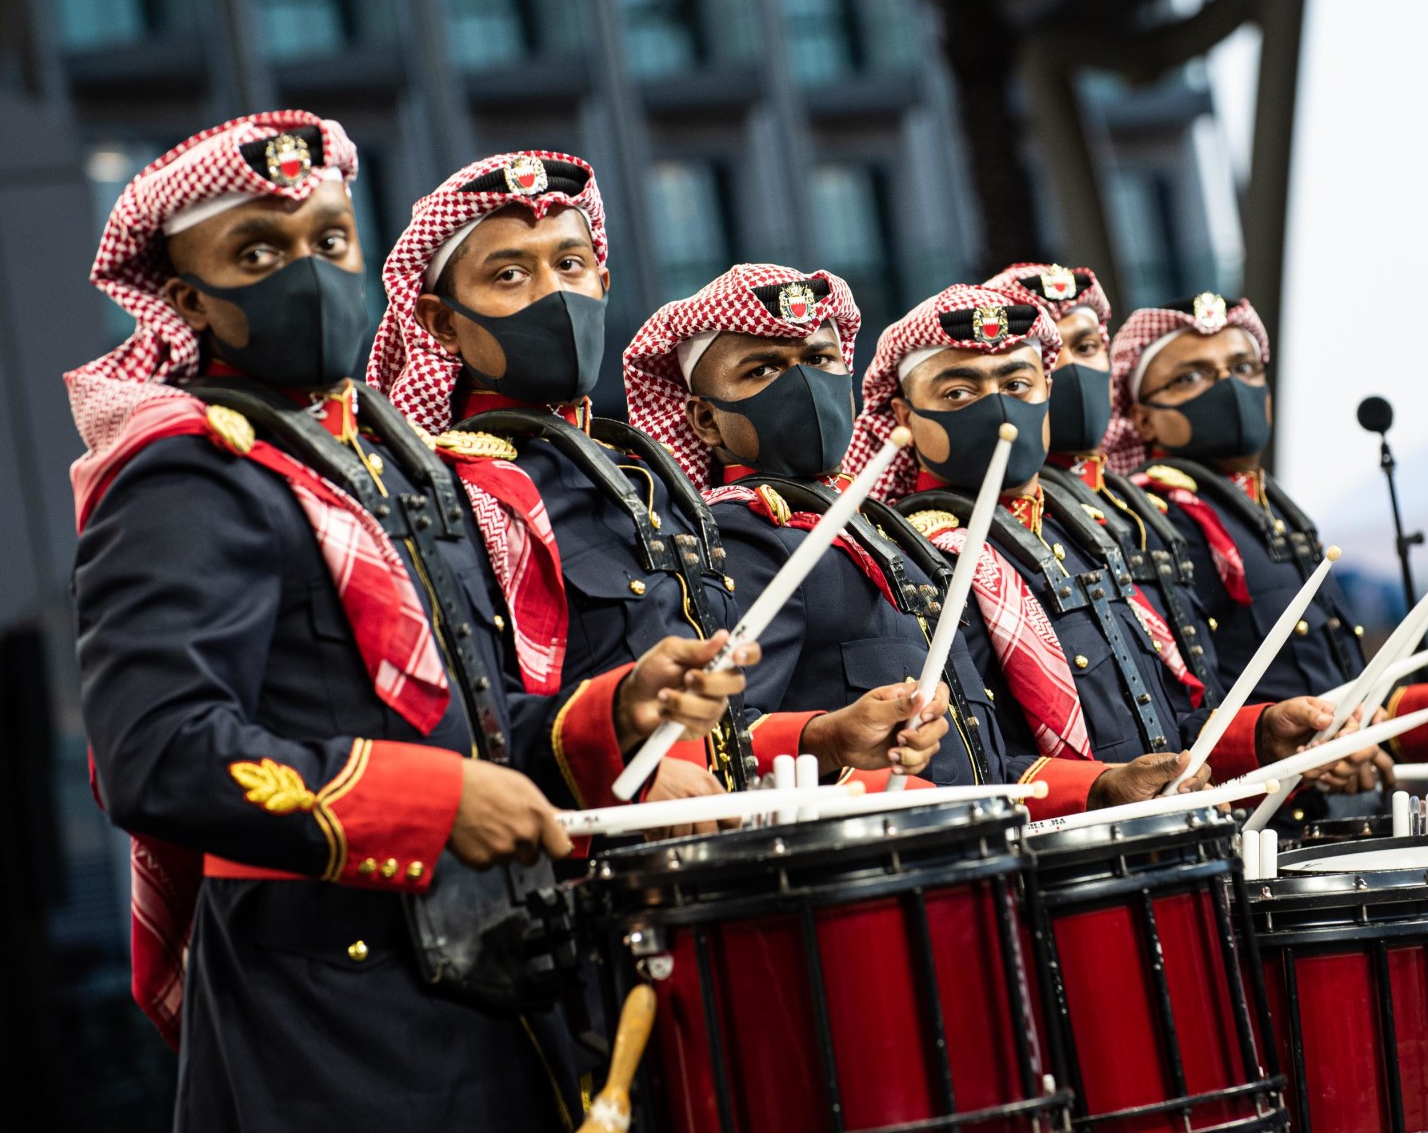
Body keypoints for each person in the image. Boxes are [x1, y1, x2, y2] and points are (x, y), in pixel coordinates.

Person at [69, 115, 751, 1132]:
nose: (307, 272)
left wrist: (621, 708)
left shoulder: (399, 467)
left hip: (491, 987)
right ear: (183, 300)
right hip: (328, 1027)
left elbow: (478, 731)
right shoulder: (184, 475)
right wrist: (429, 807)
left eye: (328, 241)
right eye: (257, 253)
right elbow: (156, 753)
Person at [370, 154, 927, 793]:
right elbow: (457, 725)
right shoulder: (443, 494)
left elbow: (716, 733)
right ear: (443, 323)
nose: (554, 293)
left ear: (603, 283)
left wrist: (823, 737)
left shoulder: (646, 480)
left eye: (570, 264)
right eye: (511, 274)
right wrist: (617, 773)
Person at [623, 263, 1210, 815]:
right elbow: (711, 743)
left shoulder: (884, 535)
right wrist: (826, 738)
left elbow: (978, 766)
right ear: (703, 420)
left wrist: (1103, 788)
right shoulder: (743, 539)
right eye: (763, 369)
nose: (804, 383)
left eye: (821, 358)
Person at [844, 284, 1357, 787]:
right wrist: (1099, 788)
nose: (999, 408)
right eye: (958, 392)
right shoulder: (909, 557)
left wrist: (1260, 733)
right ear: (905, 418)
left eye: (1017, 385)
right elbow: (959, 770)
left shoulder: (1088, 533)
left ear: (1047, 392)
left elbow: (1166, 730)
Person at [1109, 293, 1428, 787]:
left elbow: (1331, 695)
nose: (1229, 387)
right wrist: (1304, 750)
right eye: (1191, 376)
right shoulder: (1148, 521)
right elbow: (1176, 722)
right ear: (1141, 418)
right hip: (1258, 831)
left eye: (1243, 366)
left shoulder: (1269, 507)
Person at [982, 262, 1216, 684]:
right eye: (1051, 354)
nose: (1071, 368)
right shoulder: (1009, 521)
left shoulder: (1139, 501)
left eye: (1086, 347)